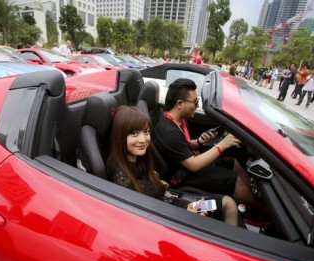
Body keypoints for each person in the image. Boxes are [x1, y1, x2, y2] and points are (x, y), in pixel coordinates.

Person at [107, 106, 238, 226]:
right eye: (134, 134)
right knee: (227, 205)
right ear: (120, 136)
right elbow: (146, 219)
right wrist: (187, 214)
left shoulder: (139, 159)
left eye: (146, 132)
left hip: (174, 203)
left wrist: (189, 207)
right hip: (172, 216)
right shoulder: (122, 177)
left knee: (227, 203)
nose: (143, 139)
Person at [153, 78, 262, 211]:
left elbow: (184, 145)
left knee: (230, 159)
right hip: (181, 176)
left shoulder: (177, 121)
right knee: (231, 178)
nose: (197, 106)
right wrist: (221, 145)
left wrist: (198, 142)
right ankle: (261, 209)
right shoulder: (168, 131)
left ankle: (254, 192)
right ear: (180, 104)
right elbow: (193, 165)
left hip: (186, 163)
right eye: (195, 102)